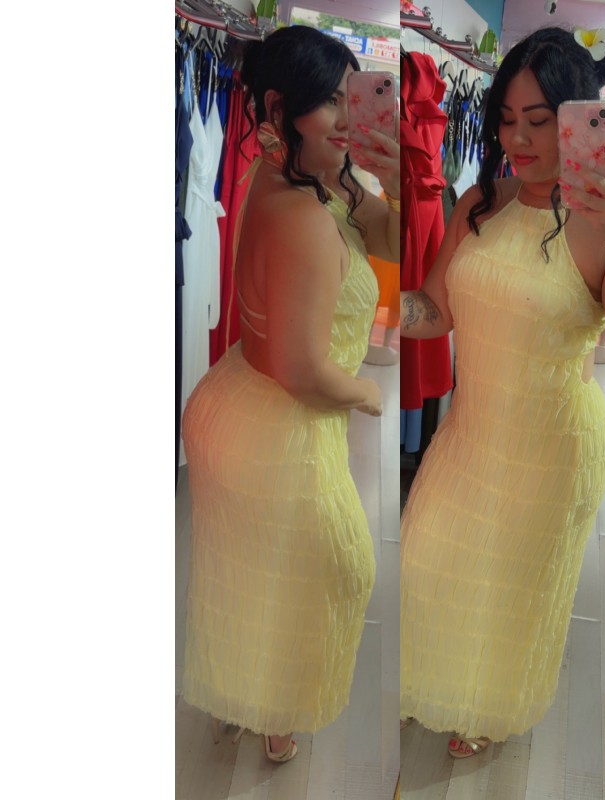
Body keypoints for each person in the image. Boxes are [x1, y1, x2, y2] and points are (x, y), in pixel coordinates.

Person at [398, 26, 605, 758]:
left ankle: (488, 704)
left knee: (511, 587)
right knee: (430, 555)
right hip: (472, 431)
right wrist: (362, 294)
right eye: (505, 119)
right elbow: (435, 311)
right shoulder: (480, 201)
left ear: (579, 121)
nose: (516, 140)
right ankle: (437, 679)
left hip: (554, 445)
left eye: (538, 121)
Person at [181, 25, 400, 763]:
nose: (348, 118)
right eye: (330, 102)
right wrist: (367, 393)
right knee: (339, 572)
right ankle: (274, 709)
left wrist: (390, 181)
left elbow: (386, 237)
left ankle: (251, 701)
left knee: (255, 572)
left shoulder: (294, 179)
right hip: (282, 424)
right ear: (280, 108)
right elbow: (304, 371)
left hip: (238, 401)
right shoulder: (306, 213)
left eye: (351, 98)